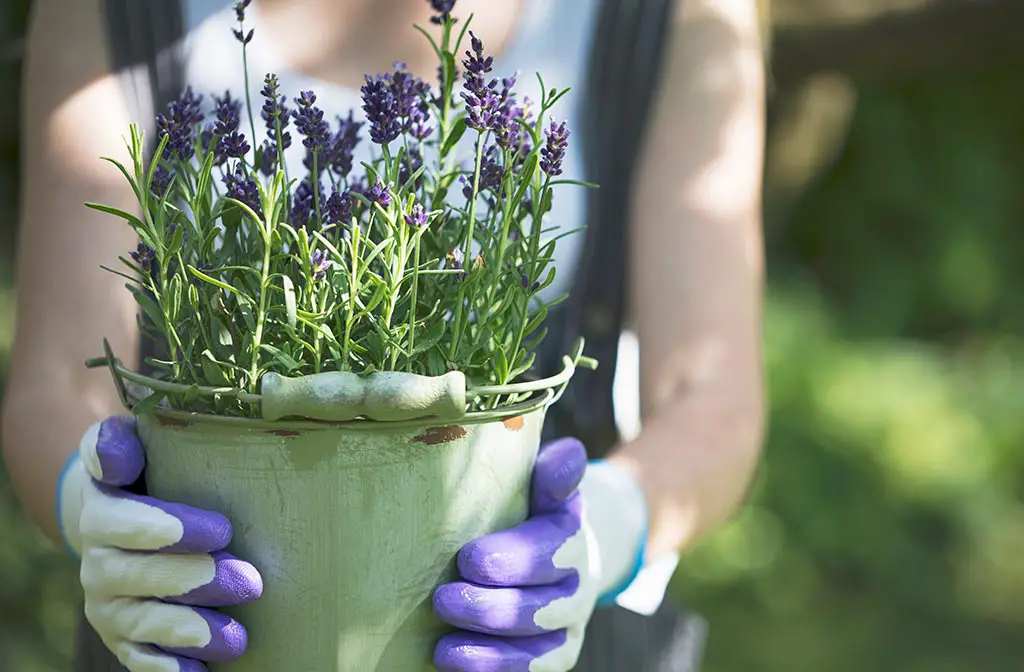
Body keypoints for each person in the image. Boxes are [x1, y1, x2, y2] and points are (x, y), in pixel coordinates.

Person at [3, 0, 766, 669]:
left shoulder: (673, 14)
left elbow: (711, 396)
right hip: (195, 634)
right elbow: (55, 382)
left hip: (521, 643)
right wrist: (96, 511)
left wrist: (604, 531)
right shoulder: (108, 10)